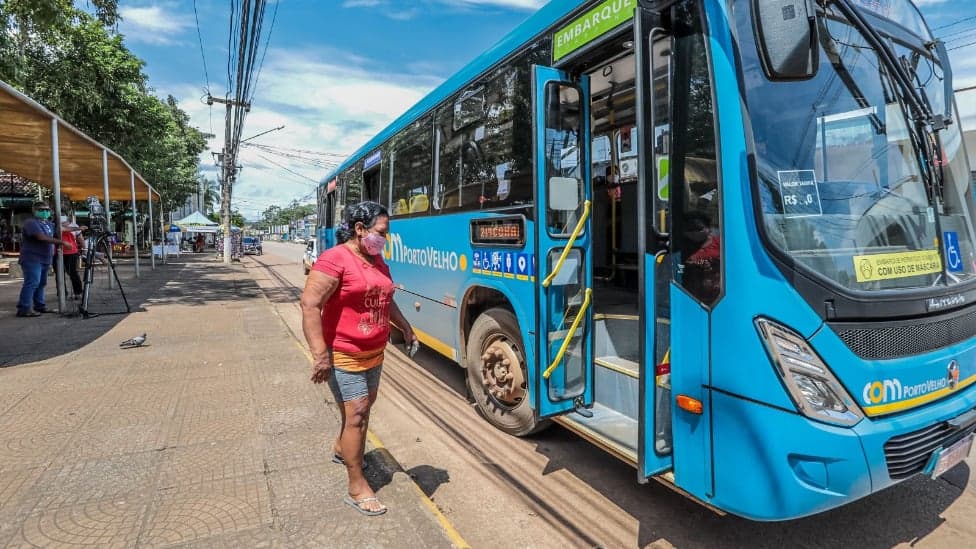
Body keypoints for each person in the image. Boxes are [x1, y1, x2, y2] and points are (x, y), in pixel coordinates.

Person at [300, 201, 418, 516]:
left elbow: (385, 298)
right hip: (343, 353)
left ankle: (342, 449)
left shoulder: (377, 260)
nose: (384, 239)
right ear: (360, 229)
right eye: (381, 232)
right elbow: (310, 305)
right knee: (358, 415)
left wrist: (405, 327)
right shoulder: (334, 259)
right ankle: (356, 486)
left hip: (374, 352)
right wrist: (320, 355)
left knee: (362, 411)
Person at [16, 201, 65, 317]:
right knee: (32, 282)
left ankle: (40, 305)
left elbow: (61, 229)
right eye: (41, 209)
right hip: (32, 258)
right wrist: (62, 242)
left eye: (47, 209)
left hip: (45, 259)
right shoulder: (31, 223)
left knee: (42, 283)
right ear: (34, 211)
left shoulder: (47, 223)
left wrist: (77, 228)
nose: (45, 212)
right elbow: (41, 237)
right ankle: (24, 308)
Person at [57, 217, 84, 300]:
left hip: (71, 252)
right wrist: (78, 228)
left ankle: (78, 292)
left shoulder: (73, 225)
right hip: (58, 252)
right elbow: (62, 229)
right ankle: (62, 293)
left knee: (72, 272)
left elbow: (80, 238)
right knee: (59, 274)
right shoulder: (55, 225)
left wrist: (83, 248)